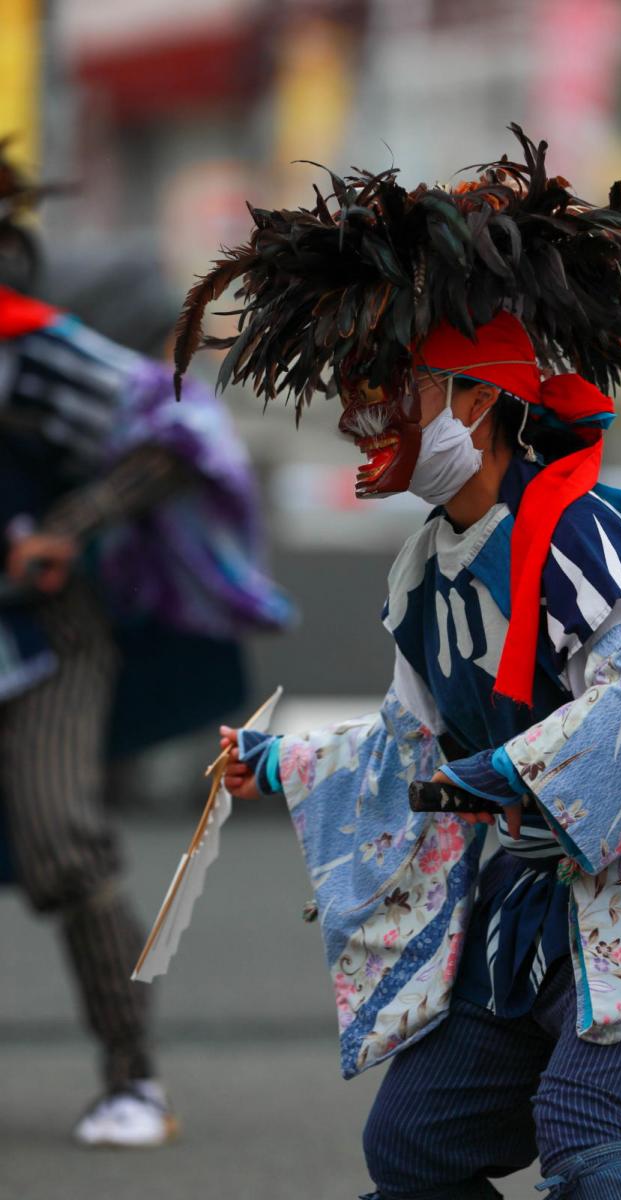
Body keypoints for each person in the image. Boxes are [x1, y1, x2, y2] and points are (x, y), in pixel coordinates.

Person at [179, 126, 621, 1198]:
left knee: (586, 1130)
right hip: (538, 896)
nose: (363, 417)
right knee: (414, 1149)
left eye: (391, 387)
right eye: (360, 389)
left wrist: (505, 772)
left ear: (475, 399)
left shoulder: (574, 530)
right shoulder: (419, 571)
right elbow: (412, 746)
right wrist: (277, 763)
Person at [0, 147, 295, 1146]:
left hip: (39, 637)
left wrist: (68, 527)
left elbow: (175, 434)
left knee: (61, 844)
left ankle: (131, 1077)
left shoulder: (29, 351)